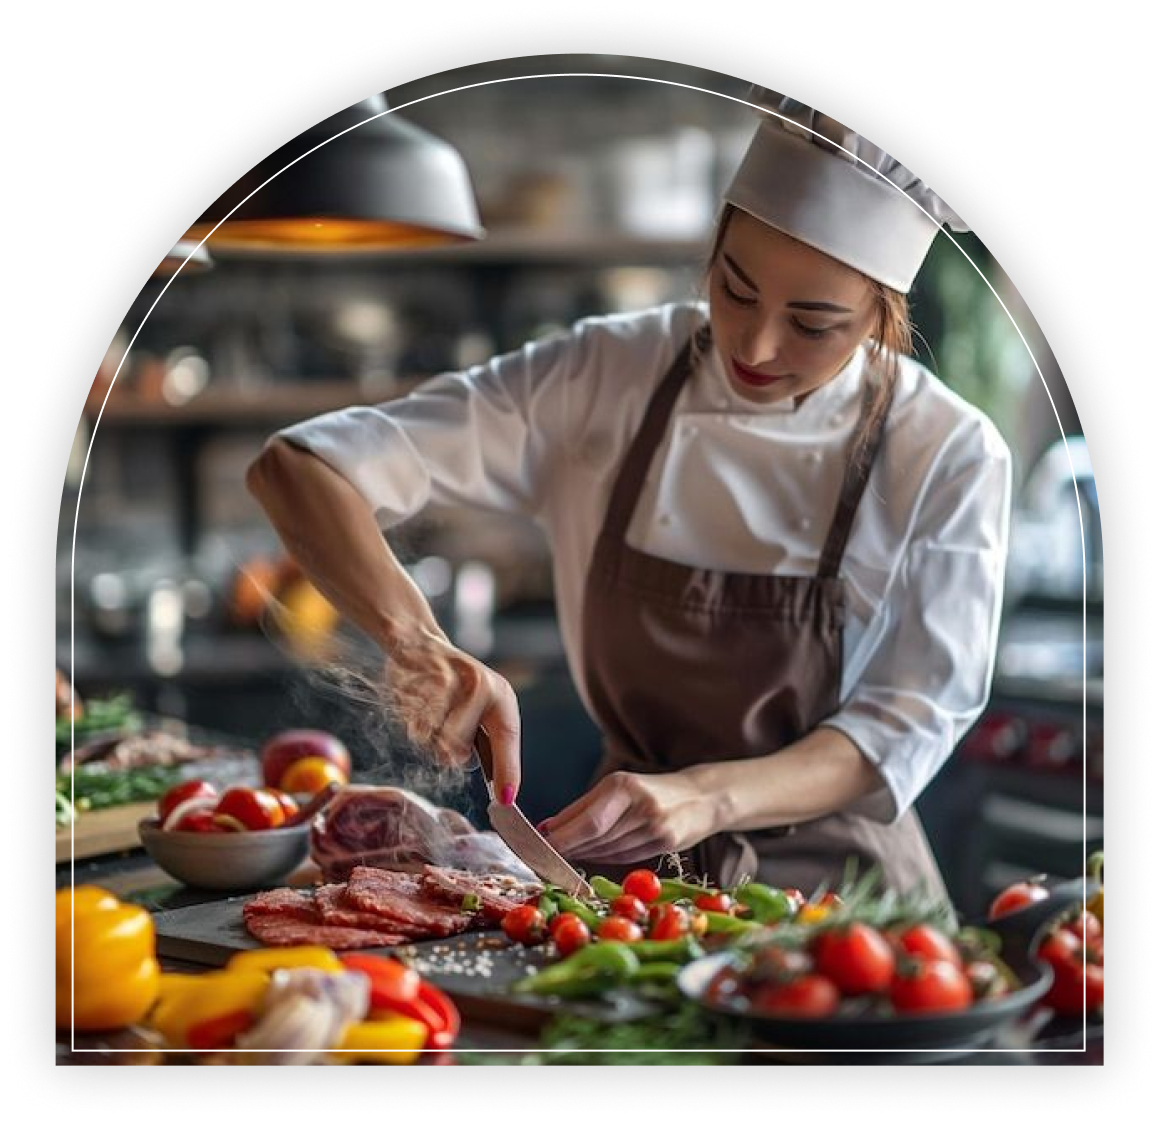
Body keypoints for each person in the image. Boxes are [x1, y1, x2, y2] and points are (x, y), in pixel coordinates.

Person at [246, 87, 1012, 900]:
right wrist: (416, 642)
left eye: (813, 324)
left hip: (845, 906)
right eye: (735, 289)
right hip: (626, 892)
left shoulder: (947, 452)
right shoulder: (608, 373)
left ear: (882, 317)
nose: (755, 346)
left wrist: (705, 797)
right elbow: (297, 467)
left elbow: (903, 726)